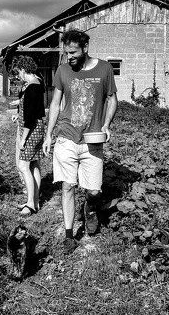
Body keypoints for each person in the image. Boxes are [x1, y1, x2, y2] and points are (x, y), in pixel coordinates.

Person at [42, 29, 118, 253]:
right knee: (67, 186)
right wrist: (48, 135)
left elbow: (112, 99)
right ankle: (69, 235)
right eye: (66, 53)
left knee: (94, 191)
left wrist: (106, 125)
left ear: (85, 48)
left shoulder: (105, 69)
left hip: (93, 141)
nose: (69, 57)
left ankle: (91, 208)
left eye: (73, 52)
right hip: (66, 138)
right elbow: (55, 104)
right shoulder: (63, 70)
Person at [10, 55, 45, 216]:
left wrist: (23, 139)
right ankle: (35, 202)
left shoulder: (32, 87)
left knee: (23, 166)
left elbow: (30, 118)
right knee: (34, 165)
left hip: (31, 130)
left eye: (19, 73)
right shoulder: (38, 82)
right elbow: (34, 108)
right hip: (37, 128)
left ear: (24, 69)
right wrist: (19, 113)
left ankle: (30, 204)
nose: (18, 77)